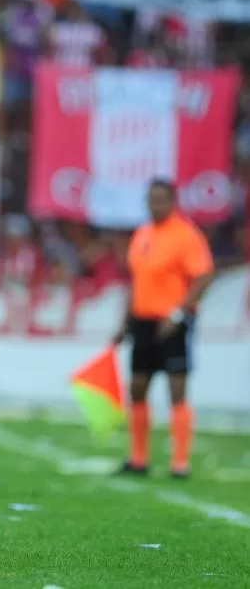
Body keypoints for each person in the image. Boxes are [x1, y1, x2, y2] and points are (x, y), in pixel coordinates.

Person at [114, 179, 214, 479]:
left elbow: (203, 277)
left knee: (176, 389)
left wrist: (178, 313)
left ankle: (180, 463)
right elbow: (135, 281)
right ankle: (138, 459)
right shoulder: (142, 234)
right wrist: (125, 323)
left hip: (173, 323)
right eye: (151, 199)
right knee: (138, 387)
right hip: (143, 322)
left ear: (173, 201)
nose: (155, 204)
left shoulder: (186, 235)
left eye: (161, 199)